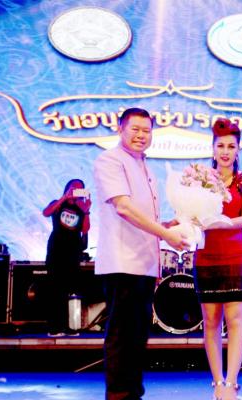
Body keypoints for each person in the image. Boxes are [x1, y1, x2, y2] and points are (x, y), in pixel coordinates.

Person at [93, 107, 189, 400]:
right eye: (134, 129)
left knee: (137, 336)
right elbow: (123, 208)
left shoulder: (144, 166)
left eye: (146, 130)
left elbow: (143, 216)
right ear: (120, 129)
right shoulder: (110, 160)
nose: (141, 135)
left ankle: (133, 393)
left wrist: (168, 226)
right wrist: (165, 235)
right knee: (122, 334)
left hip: (144, 264)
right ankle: (119, 394)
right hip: (122, 262)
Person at [193, 118, 242, 400]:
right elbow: (193, 215)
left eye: (231, 146)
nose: (226, 152)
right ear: (213, 148)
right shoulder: (200, 179)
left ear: (238, 149)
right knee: (210, 321)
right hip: (206, 254)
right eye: (221, 146)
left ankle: (231, 383)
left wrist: (220, 222)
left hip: (235, 254)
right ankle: (217, 382)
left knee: (235, 319)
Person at [43, 179, 91, 337]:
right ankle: (54, 327)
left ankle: (68, 326)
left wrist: (86, 211)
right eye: (73, 188)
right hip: (56, 251)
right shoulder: (58, 203)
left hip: (73, 252)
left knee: (69, 290)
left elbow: (85, 229)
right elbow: (46, 212)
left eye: (79, 189)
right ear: (67, 188)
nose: (75, 191)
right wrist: (64, 198)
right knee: (55, 290)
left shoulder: (80, 208)